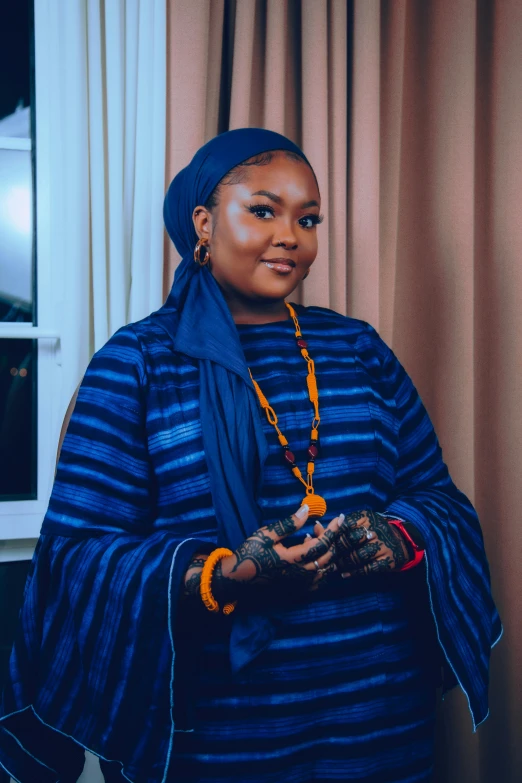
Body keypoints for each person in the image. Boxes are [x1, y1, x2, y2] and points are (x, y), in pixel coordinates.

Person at [0, 128, 501, 783]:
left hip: (379, 719)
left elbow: (440, 500)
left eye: (308, 218)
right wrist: (224, 574)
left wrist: (398, 533)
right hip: (216, 736)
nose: (290, 235)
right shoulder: (138, 363)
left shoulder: (358, 349)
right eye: (264, 210)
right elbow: (79, 556)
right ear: (204, 223)